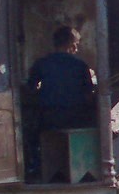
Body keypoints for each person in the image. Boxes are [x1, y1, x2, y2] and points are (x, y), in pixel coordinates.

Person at [24, 25, 96, 179]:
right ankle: (85, 172)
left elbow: (29, 90)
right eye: (76, 45)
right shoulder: (81, 66)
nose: (76, 49)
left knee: (30, 131)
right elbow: (88, 94)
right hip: (76, 119)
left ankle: (36, 169)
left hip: (49, 119)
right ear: (71, 45)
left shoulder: (41, 64)